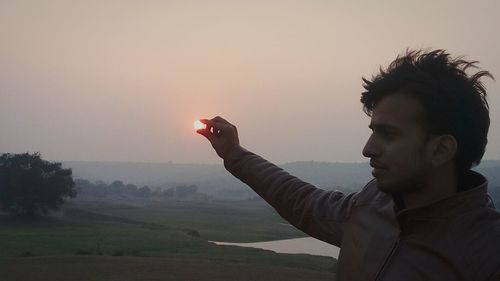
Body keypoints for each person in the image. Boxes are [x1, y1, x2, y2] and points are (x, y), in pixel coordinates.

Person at [196, 49, 500, 280]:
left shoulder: (488, 252)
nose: (368, 150)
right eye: (372, 132)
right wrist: (234, 154)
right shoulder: (372, 204)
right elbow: (304, 202)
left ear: (441, 149)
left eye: (388, 134)